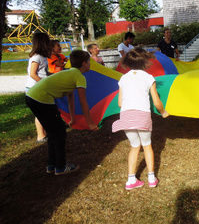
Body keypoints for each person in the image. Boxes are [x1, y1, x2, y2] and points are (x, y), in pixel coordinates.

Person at [25, 50, 98, 175]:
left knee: (54, 133)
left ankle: (52, 165)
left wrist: (72, 118)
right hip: (41, 99)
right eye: (89, 62)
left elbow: (70, 99)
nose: (90, 64)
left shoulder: (70, 73)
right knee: (59, 133)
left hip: (31, 97)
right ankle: (60, 167)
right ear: (84, 63)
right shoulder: (79, 77)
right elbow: (83, 102)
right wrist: (90, 123)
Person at [112, 48, 169, 190]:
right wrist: (163, 112)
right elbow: (156, 101)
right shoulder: (149, 78)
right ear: (145, 61)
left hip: (126, 116)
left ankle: (131, 180)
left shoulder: (123, 78)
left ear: (128, 62)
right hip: (142, 115)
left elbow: (120, 103)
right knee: (147, 145)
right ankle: (151, 178)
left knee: (134, 146)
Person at [25, 32, 50, 143]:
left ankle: (44, 133)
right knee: (40, 113)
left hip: (39, 88)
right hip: (34, 89)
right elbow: (33, 74)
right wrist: (43, 83)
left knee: (44, 112)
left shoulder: (43, 57)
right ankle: (40, 136)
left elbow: (43, 72)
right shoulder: (37, 57)